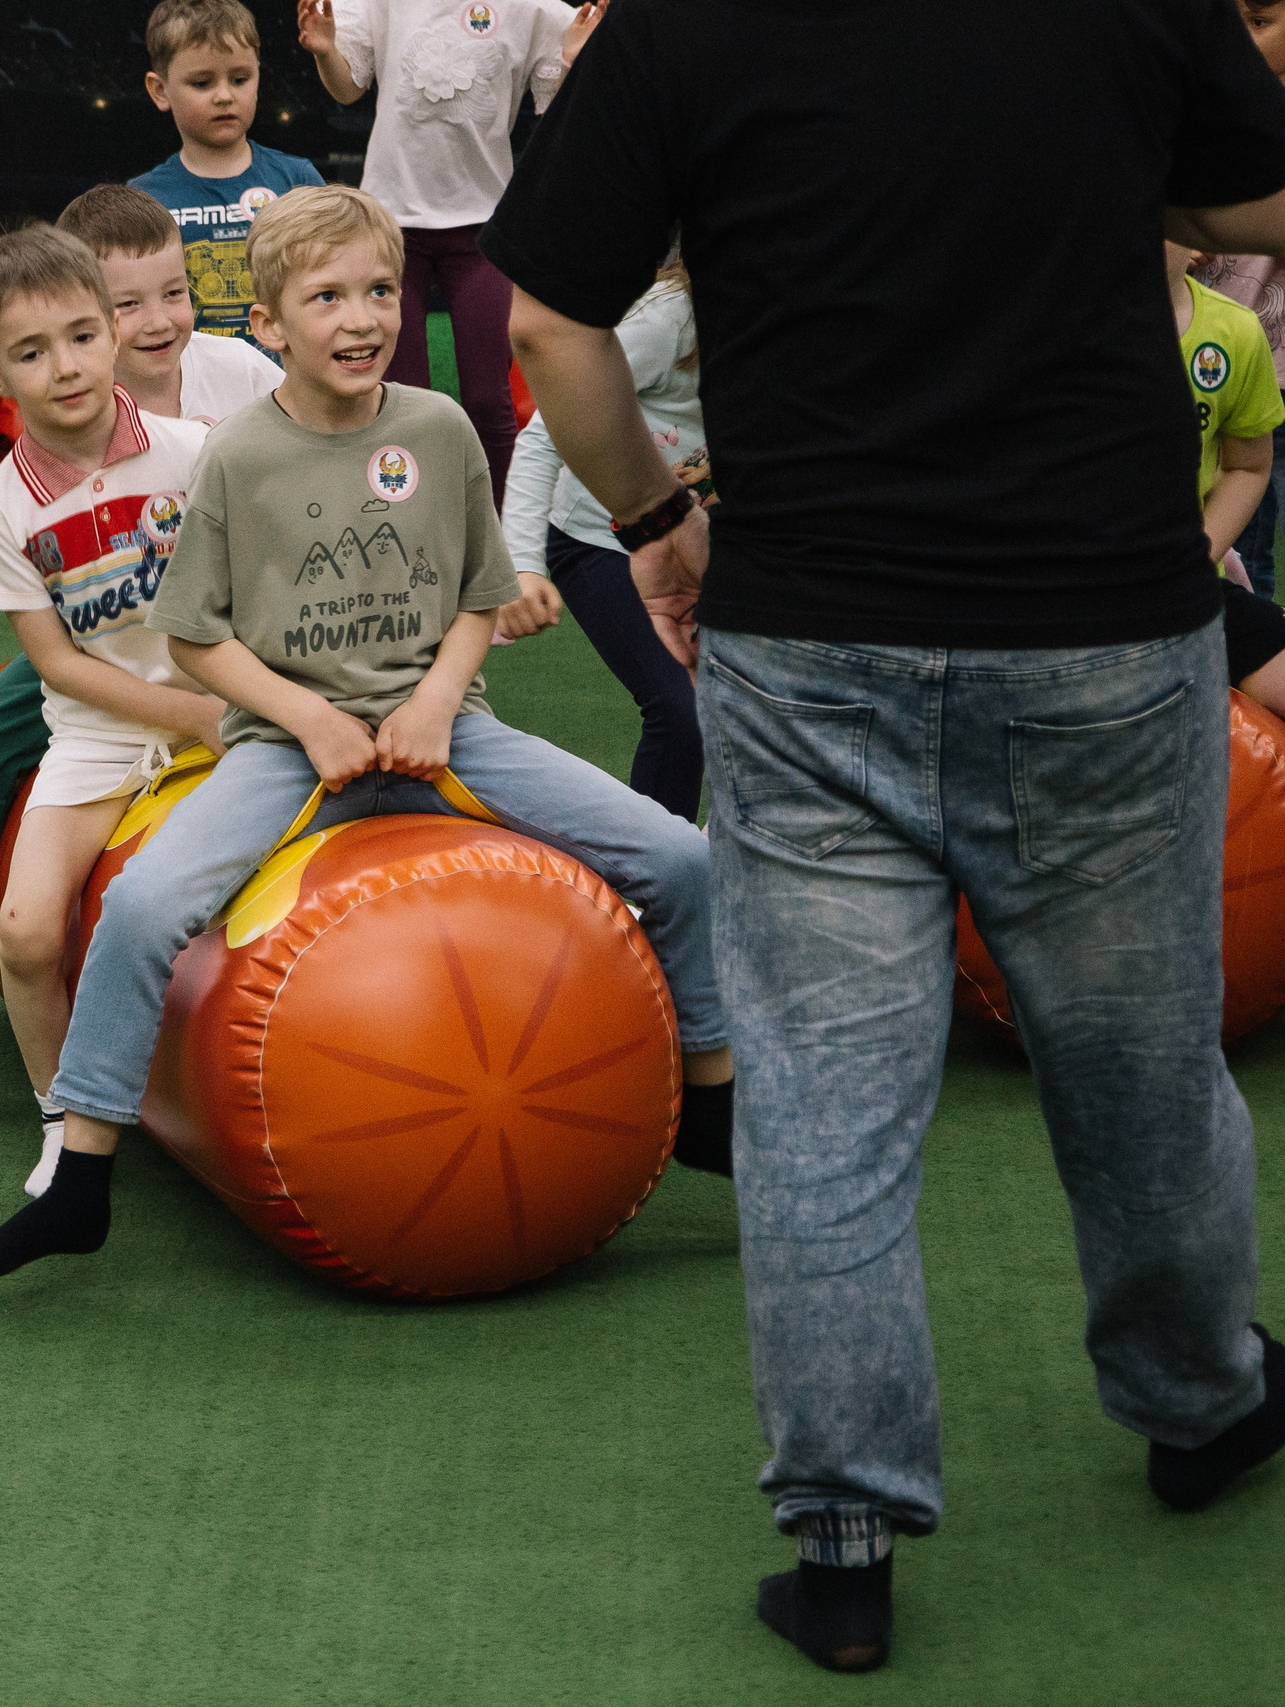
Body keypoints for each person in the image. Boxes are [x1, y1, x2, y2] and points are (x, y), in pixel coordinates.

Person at [486, 0, 1285, 1674]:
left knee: (824, 1100)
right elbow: (1260, 200)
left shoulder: (683, 25)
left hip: (816, 635)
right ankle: (1204, 1402)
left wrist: (655, 524)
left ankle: (845, 1536)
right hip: (1106, 636)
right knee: (1142, 1062)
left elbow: (555, 325)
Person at [0, 185, 735, 1289]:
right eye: (326, 297)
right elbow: (192, 641)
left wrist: (433, 703)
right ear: (268, 326)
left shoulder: (439, 428)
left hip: (446, 726)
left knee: (683, 858)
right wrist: (306, 716)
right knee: (137, 906)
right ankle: (81, 1171)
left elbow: (477, 594)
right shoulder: (231, 457)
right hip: (283, 746)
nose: (361, 316)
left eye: (377, 290)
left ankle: (709, 1097)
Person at [0, 190, 281, 1089]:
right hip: (99, 645)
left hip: (198, 634)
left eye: (172, 295)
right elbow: (58, 655)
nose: (156, 322)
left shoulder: (229, 386)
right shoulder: (17, 483)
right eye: (131, 302)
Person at [0, 225, 231, 1191]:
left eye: (78, 336)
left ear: (112, 332)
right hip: (102, 734)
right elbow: (56, 665)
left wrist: (223, 704)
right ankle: (64, 1118)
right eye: (30, 352)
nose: (63, 367)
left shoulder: (196, 453)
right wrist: (177, 716)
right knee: (25, 931)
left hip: (228, 705)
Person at [296, 0, 606, 498]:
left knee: (489, 399)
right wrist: (326, 50)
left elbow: (557, 118)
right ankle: (417, 518)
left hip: (482, 228)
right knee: (402, 398)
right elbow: (348, 88)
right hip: (391, 228)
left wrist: (574, 64)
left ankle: (500, 533)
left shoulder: (534, 8)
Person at [497, 267, 704, 821]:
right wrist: (521, 563)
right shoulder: (670, 318)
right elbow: (545, 432)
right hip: (599, 541)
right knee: (682, 712)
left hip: (702, 543)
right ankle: (658, 883)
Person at [129, 0, 325, 348]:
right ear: (160, 90)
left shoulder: (298, 180)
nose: (224, 96)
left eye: (240, 79)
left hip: (288, 389)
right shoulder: (141, 200)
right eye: (202, 83)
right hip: (191, 390)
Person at [1171, 240, 1285, 715]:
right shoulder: (1041, 329)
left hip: (1185, 588)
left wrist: (1191, 561)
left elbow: (1247, 464)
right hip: (1060, 597)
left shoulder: (1232, 330)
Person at [1197, 0, 1285, 594]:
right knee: (1229, 552)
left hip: (1276, 362)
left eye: (1259, 22)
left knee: (1250, 554)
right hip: (1212, 365)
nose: (1241, 40)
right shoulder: (1204, 100)